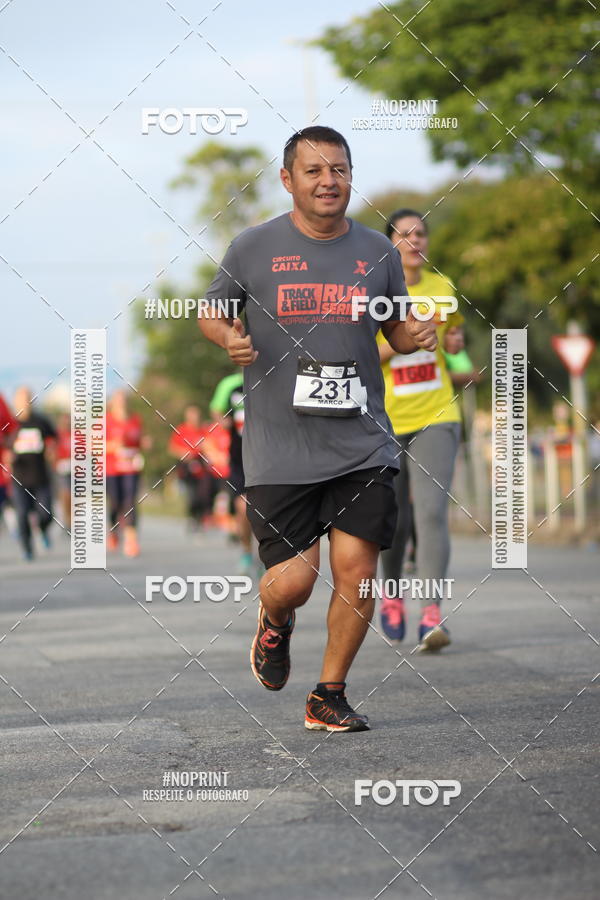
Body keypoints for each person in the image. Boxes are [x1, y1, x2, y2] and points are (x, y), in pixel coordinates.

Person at [200, 126, 437, 732]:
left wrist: (417, 336)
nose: (329, 180)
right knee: (294, 582)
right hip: (280, 447)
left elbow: (397, 328)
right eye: (314, 170)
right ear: (288, 180)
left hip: (362, 441)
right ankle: (274, 623)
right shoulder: (252, 247)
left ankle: (328, 693)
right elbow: (211, 310)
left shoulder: (378, 254)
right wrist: (229, 335)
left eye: (339, 168)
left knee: (357, 570)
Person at [378, 209, 473, 650]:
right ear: (389, 244)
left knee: (432, 513)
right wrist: (405, 340)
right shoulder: (376, 291)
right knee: (393, 519)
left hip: (437, 413)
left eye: (420, 233)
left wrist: (454, 343)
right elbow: (362, 349)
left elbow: (454, 339)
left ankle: (432, 613)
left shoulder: (442, 288)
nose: (414, 240)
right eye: (404, 234)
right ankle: (392, 594)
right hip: (384, 418)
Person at [209, 371, 255, 573]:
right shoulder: (230, 384)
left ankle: (268, 554)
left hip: (271, 454)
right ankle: (246, 552)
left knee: (268, 508)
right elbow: (216, 410)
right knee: (243, 505)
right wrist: (224, 421)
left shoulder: (273, 376)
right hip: (240, 456)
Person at [7, 386, 57, 560]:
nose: (25, 403)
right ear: (15, 402)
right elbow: (4, 446)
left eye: (28, 399)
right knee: (22, 514)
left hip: (41, 476)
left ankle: (42, 529)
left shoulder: (41, 421)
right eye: (21, 400)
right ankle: (27, 548)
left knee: (46, 513)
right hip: (19, 478)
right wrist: (7, 456)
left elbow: (53, 439)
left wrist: (51, 449)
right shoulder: (10, 425)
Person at [169, 404, 227, 531]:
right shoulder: (181, 430)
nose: (195, 418)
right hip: (186, 466)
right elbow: (172, 448)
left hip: (201, 465)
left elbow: (209, 444)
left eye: (197, 415)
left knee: (205, 490)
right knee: (192, 493)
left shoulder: (203, 430)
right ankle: (192, 515)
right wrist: (184, 453)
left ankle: (203, 516)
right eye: (192, 415)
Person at [106, 390, 145, 557]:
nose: (122, 403)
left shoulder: (135, 420)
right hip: (112, 469)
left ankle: (131, 540)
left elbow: (138, 442)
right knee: (115, 502)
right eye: (118, 400)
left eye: (124, 400)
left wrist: (143, 444)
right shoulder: (105, 421)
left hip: (131, 468)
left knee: (130, 501)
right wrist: (112, 446)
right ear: (113, 403)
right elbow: (92, 446)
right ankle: (114, 530)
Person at [55, 411, 72, 533]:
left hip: (75, 469)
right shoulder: (57, 435)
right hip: (62, 469)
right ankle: (67, 521)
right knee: (65, 494)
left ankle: (72, 520)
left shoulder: (75, 435)